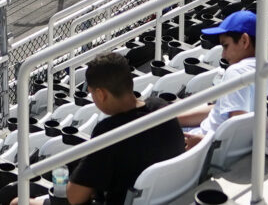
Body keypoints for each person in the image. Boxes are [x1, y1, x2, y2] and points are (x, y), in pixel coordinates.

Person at [60, 54, 184, 205]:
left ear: (101, 94)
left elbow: (74, 197)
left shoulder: (109, 133)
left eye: (92, 93)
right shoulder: (162, 107)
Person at [174, 12, 261, 142]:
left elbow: (237, 130)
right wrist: (171, 119)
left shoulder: (236, 72)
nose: (223, 55)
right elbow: (222, 112)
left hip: (200, 145)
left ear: (244, 41)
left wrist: (203, 141)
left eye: (226, 46)